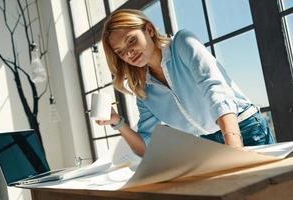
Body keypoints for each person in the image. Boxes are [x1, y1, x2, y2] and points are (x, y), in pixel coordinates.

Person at [96, 9, 275, 157]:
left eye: (131, 40)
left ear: (149, 30)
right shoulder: (143, 89)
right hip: (208, 145)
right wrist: (118, 122)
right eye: (120, 51)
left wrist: (234, 147)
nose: (129, 53)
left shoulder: (182, 43)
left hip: (244, 128)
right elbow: (145, 148)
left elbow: (216, 91)